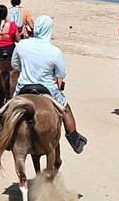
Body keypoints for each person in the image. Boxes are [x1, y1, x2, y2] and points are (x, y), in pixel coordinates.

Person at [11, 15, 87, 153]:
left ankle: (6, 137)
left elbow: (14, 64)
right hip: (47, 88)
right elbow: (61, 74)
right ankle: (75, 140)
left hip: (24, 86)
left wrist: (28, 70)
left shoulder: (22, 44)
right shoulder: (54, 51)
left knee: (8, 109)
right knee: (66, 110)